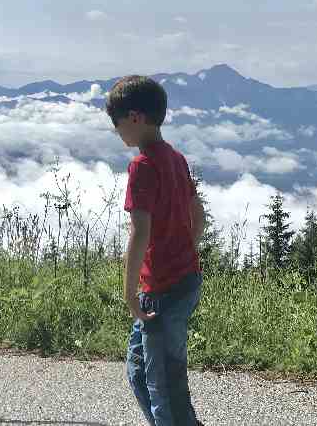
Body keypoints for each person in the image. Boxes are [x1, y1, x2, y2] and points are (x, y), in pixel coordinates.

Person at [107, 75, 207, 426]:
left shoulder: (143, 165)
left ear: (135, 118)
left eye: (117, 124)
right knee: (140, 372)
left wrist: (129, 291)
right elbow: (199, 217)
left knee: (165, 390)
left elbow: (140, 233)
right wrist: (185, 253)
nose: (117, 132)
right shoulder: (176, 158)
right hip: (184, 282)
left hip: (161, 291)